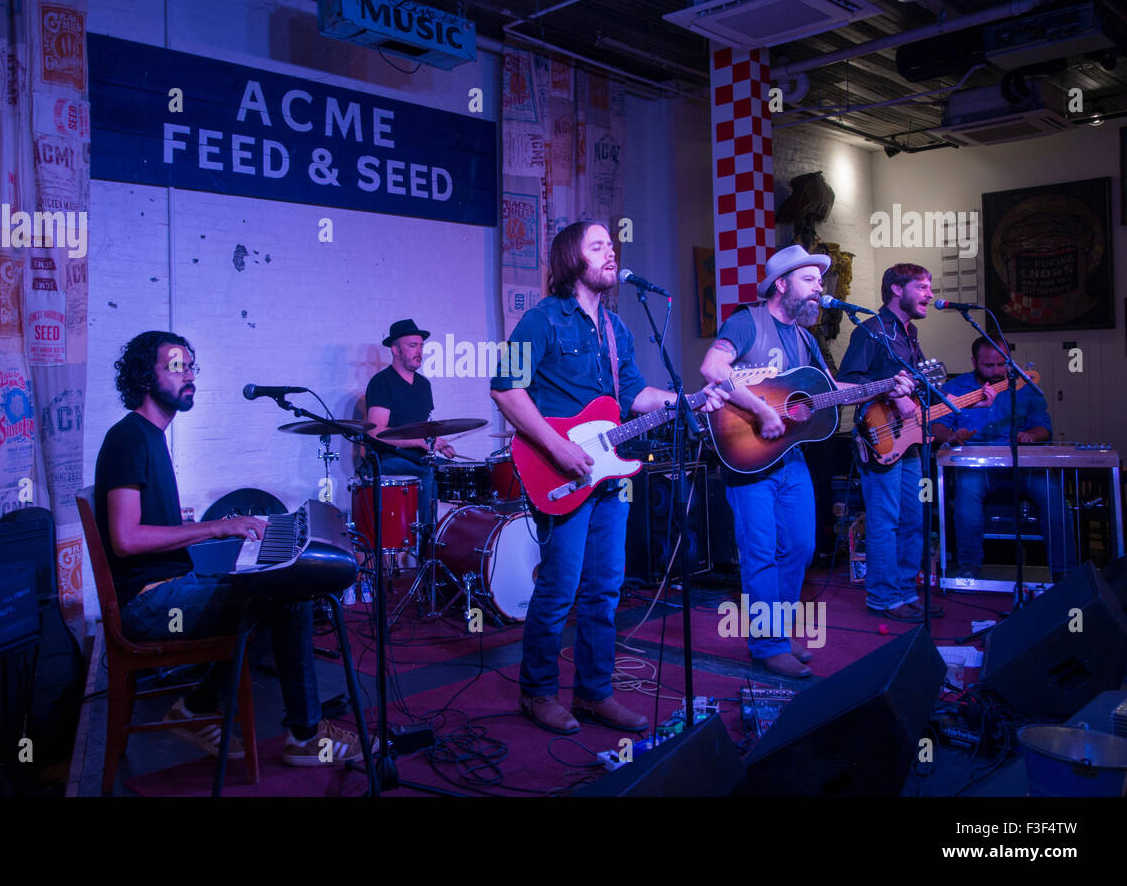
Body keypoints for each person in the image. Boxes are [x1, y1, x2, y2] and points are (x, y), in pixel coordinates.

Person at [492, 220, 725, 734]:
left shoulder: (618, 328)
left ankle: (594, 693)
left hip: (611, 475)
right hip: (559, 470)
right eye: (598, 246)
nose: (611, 252)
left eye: (611, 245)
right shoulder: (542, 320)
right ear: (572, 258)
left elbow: (634, 398)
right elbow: (506, 389)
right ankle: (537, 692)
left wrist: (688, 402)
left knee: (605, 589)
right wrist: (557, 446)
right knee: (558, 588)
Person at [95, 330, 366, 766]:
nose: (191, 378)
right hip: (149, 607)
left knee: (274, 588)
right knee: (288, 598)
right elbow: (126, 540)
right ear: (147, 376)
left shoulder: (147, 437)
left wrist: (200, 528)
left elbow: (145, 530)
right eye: (177, 367)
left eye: (192, 368)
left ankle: (199, 708)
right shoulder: (129, 438)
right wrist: (216, 528)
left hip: (168, 588)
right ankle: (305, 736)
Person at [702, 245, 912, 677]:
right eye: (810, 280)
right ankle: (768, 644)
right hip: (748, 459)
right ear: (781, 284)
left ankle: (776, 633)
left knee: (800, 547)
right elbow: (713, 367)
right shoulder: (747, 322)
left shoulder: (804, 338)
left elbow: (831, 388)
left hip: (791, 458)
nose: (820, 288)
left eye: (820, 281)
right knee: (759, 552)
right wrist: (761, 410)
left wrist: (884, 386)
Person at [837, 263, 941, 623]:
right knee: (886, 520)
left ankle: (905, 591)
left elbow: (912, 387)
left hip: (908, 438)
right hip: (878, 438)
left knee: (915, 517)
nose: (930, 294)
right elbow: (847, 384)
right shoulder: (871, 332)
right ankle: (883, 597)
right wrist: (890, 390)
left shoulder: (908, 334)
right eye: (923, 287)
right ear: (897, 289)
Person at [931, 336, 1073, 579]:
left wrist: (1030, 435)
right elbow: (936, 427)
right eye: (989, 366)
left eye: (1002, 364)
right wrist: (954, 435)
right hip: (978, 470)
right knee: (967, 491)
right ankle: (969, 568)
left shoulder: (1024, 387)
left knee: (1052, 493)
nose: (997, 371)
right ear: (974, 361)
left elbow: (1044, 427)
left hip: (1022, 468)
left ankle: (1065, 572)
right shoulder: (955, 389)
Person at [364, 318, 455, 537]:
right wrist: (418, 443)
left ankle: (462, 545)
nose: (419, 351)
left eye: (421, 346)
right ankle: (427, 549)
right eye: (412, 346)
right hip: (387, 459)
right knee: (429, 474)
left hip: (418, 457)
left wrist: (437, 442)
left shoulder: (424, 385)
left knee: (456, 472)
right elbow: (375, 432)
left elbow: (422, 428)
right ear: (395, 350)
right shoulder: (382, 382)